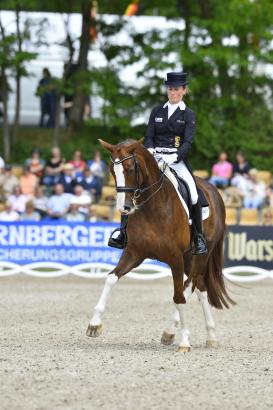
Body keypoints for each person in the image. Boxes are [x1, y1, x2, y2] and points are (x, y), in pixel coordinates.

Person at [108, 71, 207, 255]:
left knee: (193, 194)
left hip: (176, 160)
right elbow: (149, 136)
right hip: (154, 158)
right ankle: (122, 233)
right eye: (170, 89)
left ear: (184, 90)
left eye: (176, 89)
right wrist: (150, 151)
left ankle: (198, 237)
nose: (172, 92)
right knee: (132, 186)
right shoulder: (157, 111)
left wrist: (174, 157)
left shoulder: (188, 114)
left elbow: (188, 142)